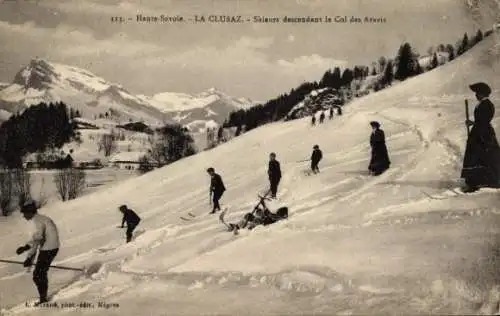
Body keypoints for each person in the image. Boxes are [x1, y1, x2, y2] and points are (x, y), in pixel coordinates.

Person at [16, 200, 60, 306]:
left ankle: (43, 299)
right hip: (51, 247)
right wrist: (26, 247)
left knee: (38, 275)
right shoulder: (40, 219)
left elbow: (37, 241)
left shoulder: (37, 222)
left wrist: (29, 258)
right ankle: (43, 297)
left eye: (24, 213)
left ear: (30, 212)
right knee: (40, 273)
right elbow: (36, 239)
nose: (23, 216)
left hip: (48, 248)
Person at [461, 82, 500, 192]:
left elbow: (484, 121)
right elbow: (481, 121)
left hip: (483, 134)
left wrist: (479, 131)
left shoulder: (487, 105)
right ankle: (476, 181)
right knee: (478, 157)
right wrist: (472, 123)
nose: (476, 95)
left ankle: (482, 182)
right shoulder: (483, 104)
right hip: (480, 132)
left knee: (482, 156)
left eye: (477, 93)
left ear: (482, 94)